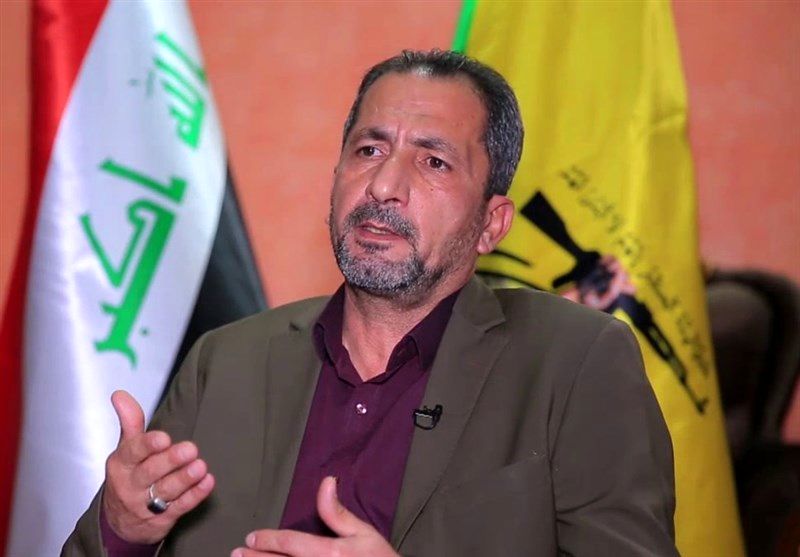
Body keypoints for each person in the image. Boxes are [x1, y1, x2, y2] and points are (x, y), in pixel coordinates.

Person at [63, 49, 677, 557]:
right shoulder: (226, 360)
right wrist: (124, 529)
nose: (384, 186)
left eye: (433, 161)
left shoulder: (574, 360)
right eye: (369, 151)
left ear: (492, 224)